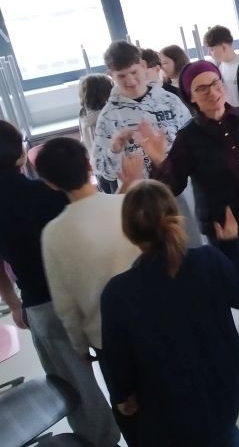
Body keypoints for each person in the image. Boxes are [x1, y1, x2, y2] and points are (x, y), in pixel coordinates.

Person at [143, 60, 239, 387]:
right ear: (191, 97)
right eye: (202, 89)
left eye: (215, 84)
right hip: (226, 228)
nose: (212, 93)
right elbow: (172, 186)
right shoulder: (189, 137)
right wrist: (158, 160)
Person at [101, 181, 239, 447]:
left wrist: (123, 396)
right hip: (222, 393)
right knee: (225, 435)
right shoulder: (209, 260)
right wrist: (229, 245)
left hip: (167, 412)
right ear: (176, 217)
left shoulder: (117, 293)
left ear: (128, 232)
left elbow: (118, 361)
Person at [0, 121, 120, 447]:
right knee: (119, 363)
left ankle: (101, 441)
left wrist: (13, 302)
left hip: (41, 303)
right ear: (21, 155)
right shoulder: (49, 193)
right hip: (89, 290)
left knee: (74, 382)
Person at [35, 137, 141, 445]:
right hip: (154, 325)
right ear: (89, 165)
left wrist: (80, 346)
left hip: (106, 340)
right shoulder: (128, 206)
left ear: (50, 183)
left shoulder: (53, 234)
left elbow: (65, 303)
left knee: (131, 411)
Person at [91, 40, 192, 191]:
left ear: (143, 66)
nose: (130, 81)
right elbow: (105, 174)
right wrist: (114, 151)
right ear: (111, 75)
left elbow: (192, 146)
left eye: (134, 72)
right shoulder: (108, 116)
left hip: (180, 188)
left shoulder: (170, 101)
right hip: (140, 195)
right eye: (121, 76)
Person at [78, 73, 114, 162]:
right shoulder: (107, 115)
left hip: (94, 160)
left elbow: (83, 140)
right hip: (111, 160)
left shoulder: (83, 113)